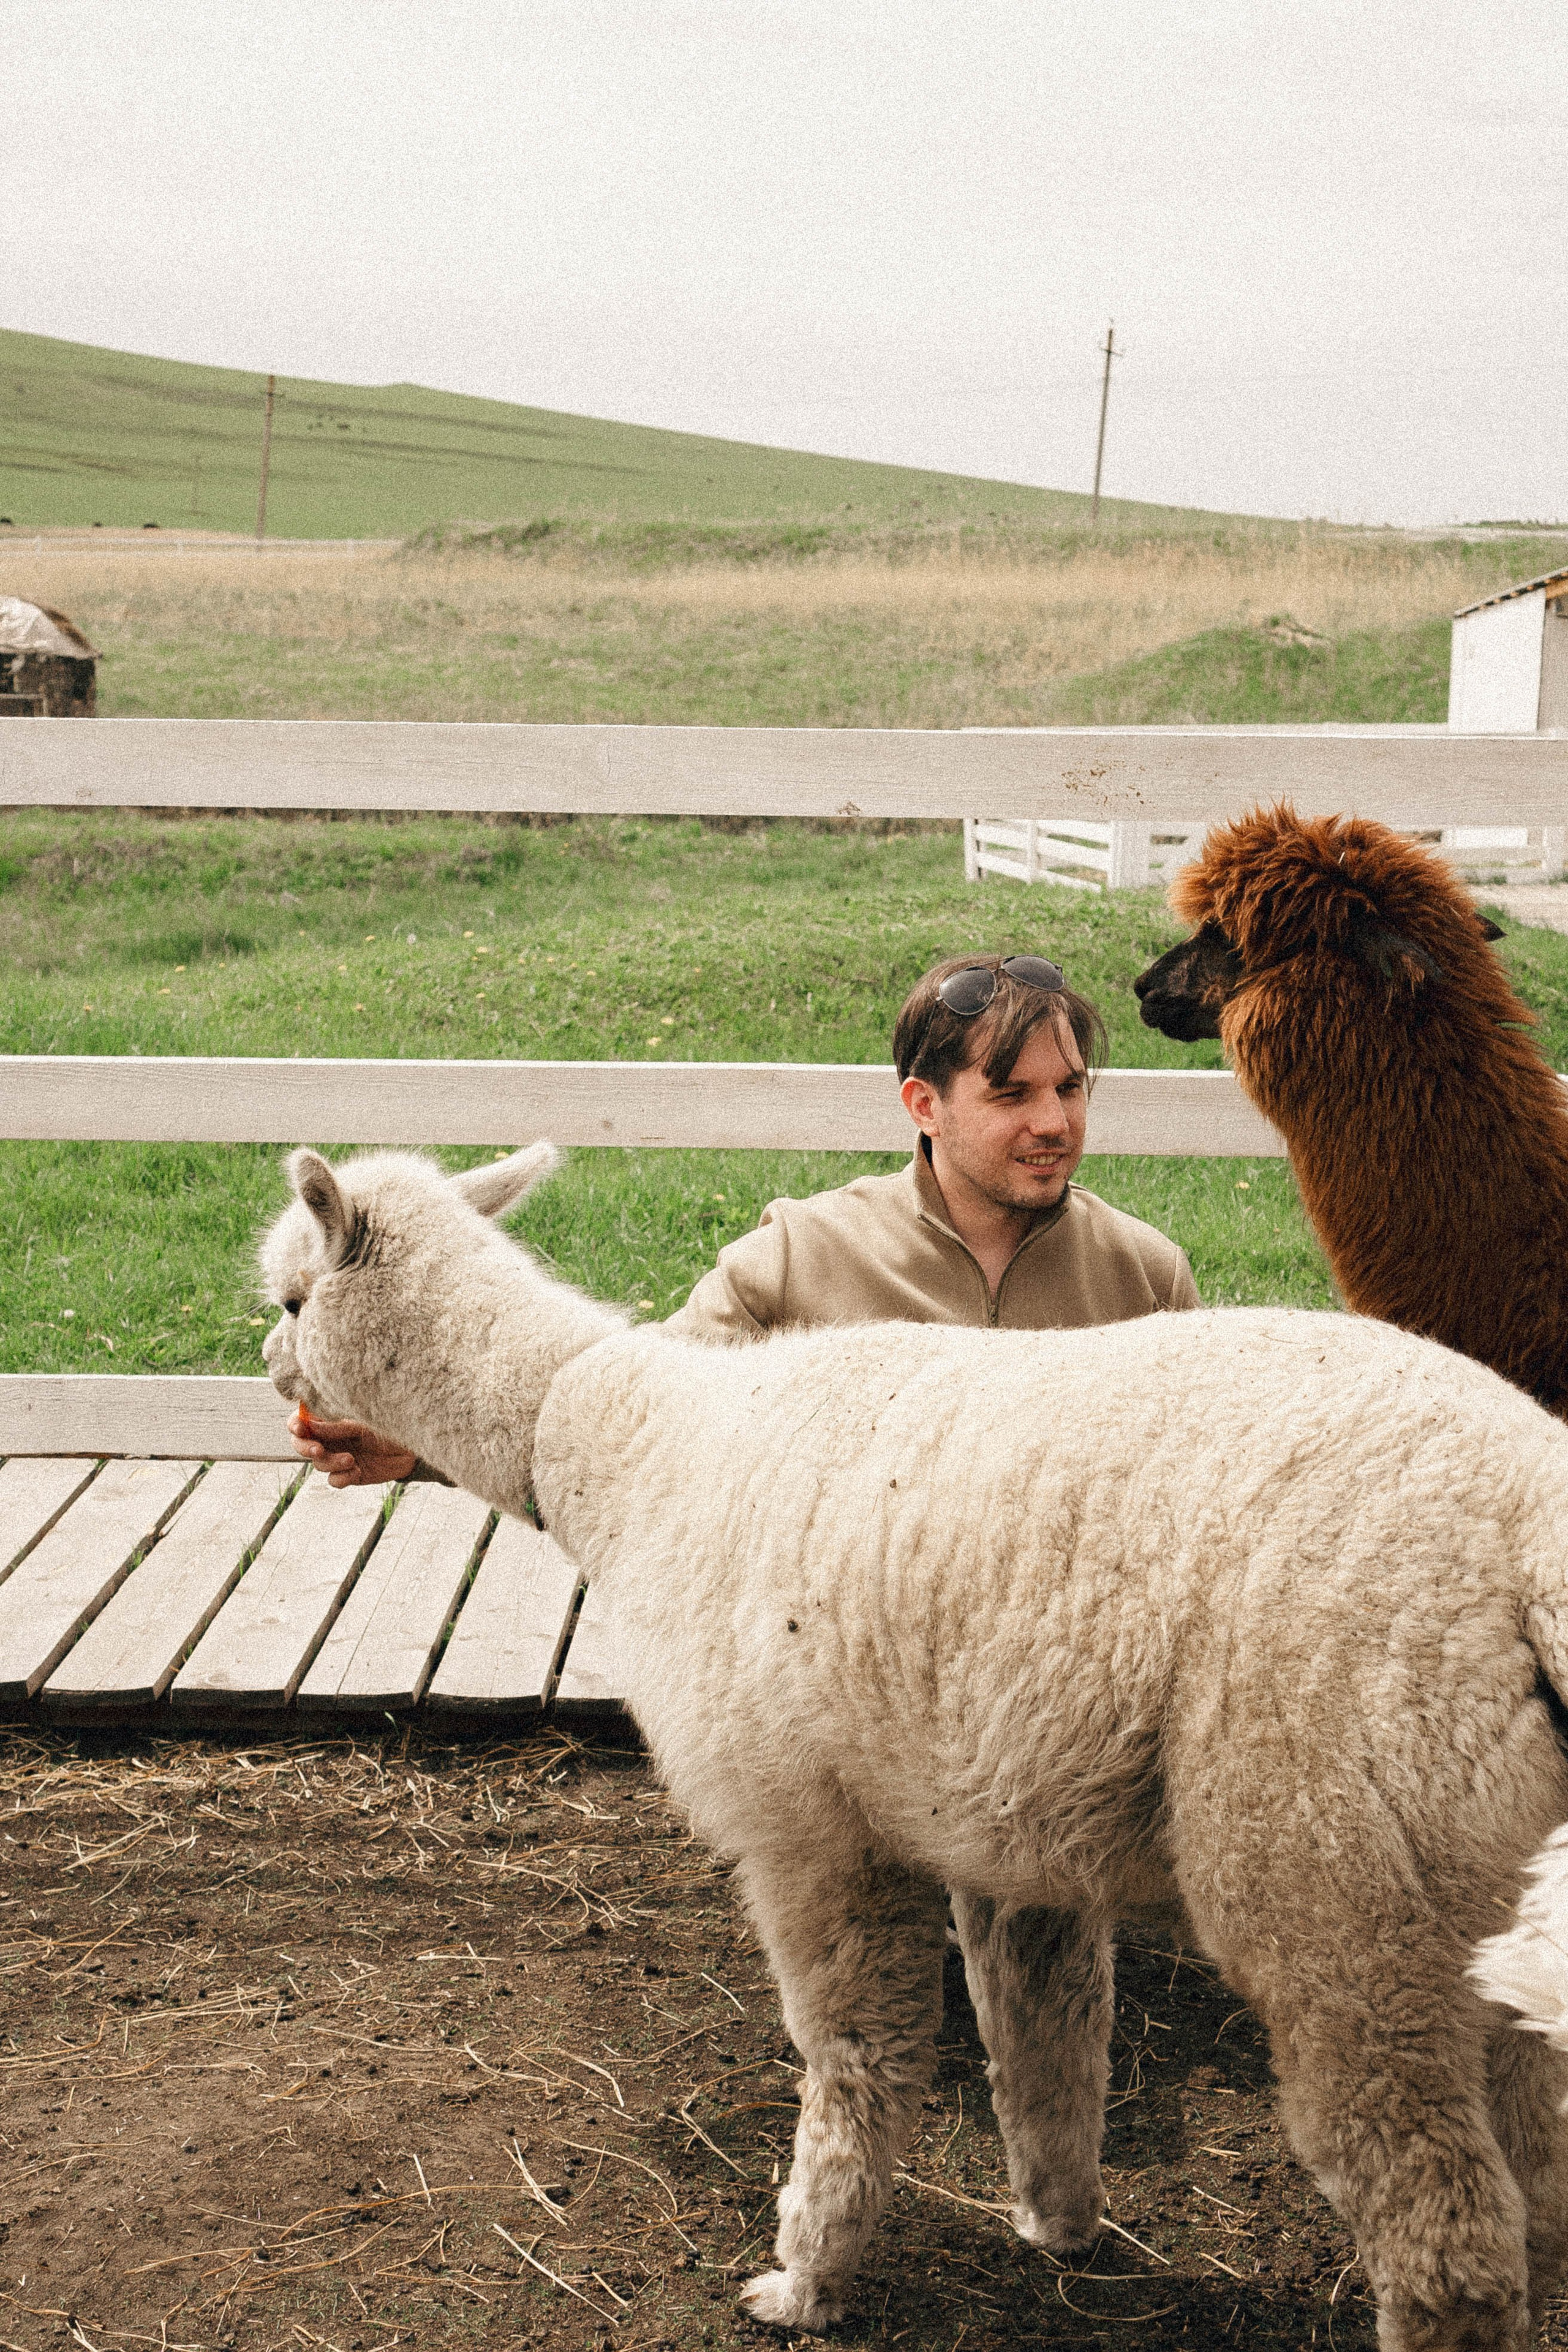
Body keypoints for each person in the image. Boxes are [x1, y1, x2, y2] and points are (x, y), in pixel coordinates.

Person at [290, 949, 1198, 1486]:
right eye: (1012, 1095)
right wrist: (420, 1451)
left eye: (1069, 1088)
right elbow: (625, 1424)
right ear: (924, 1104)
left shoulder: (1146, 1277)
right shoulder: (802, 1254)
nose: (1055, 1123)